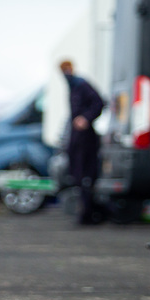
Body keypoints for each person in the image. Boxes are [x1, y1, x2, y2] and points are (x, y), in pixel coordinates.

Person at [60, 60, 105, 225]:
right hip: (78, 137)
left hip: (85, 138)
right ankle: (85, 213)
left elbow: (99, 102)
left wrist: (86, 118)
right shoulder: (74, 86)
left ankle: (87, 213)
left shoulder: (81, 85)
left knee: (85, 177)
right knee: (79, 176)